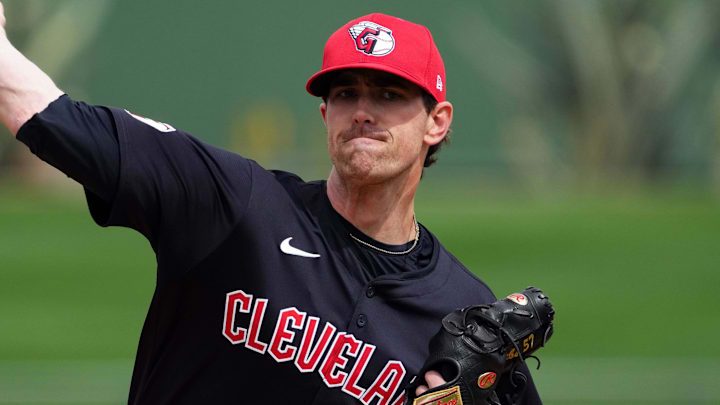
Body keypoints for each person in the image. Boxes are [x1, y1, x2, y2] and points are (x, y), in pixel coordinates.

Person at [0, 5, 541, 405]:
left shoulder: (465, 312)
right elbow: (50, 114)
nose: (362, 112)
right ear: (324, 113)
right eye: (346, 94)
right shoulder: (238, 206)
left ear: (437, 122)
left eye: (388, 95)